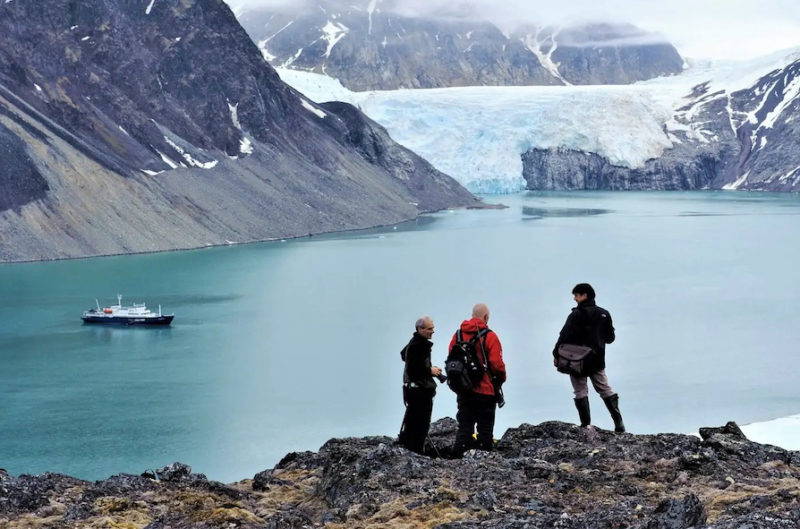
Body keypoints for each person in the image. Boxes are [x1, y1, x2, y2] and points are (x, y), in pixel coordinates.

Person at [553, 283, 625, 432]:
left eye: (576, 295)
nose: (574, 298)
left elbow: (563, 336)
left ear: (584, 295)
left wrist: (556, 354)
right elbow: (610, 338)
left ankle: (586, 425)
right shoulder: (604, 314)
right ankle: (619, 423)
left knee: (580, 390)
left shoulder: (575, 315)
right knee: (604, 389)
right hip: (596, 359)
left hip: (576, 360)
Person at [450, 303, 506, 455]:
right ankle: (484, 460)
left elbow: (451, 359)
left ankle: (457, 459)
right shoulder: (490, 336)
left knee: (465, 428)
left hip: (464, 390)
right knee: (485, 430)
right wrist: (501, 379)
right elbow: (497, 365)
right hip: (485, 391)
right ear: (486, 317)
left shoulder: (458, 335)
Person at [398, 316, 443, 454]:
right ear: (420, 329)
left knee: (413, 423)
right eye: (430, 329)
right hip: (419, 393)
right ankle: (416, 453)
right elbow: (413, 370)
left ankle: (410, 450)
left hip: (413, 391)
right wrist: (430, 370)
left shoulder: (414, 342)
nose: (433, 331)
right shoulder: (419, 345)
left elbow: (403, 355)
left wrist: (429, 369)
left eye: (433, 328)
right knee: (420, 425)